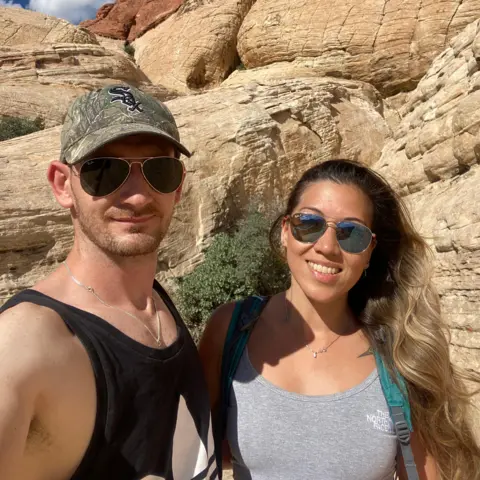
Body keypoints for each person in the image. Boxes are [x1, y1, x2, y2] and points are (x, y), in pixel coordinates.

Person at [199, 159, 480, 480]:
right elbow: (193, 453)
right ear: (285, 232)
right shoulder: (230, 331)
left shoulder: (400, 352)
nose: (328, 247)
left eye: (352, 234)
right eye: (309, 224)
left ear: (370, 252)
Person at [0, 84, 217, 480]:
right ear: (63, 185)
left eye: (159, 171)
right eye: (105, 171)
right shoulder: (25, 342)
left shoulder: (155, 303)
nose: (136, 196)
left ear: (179, 186)